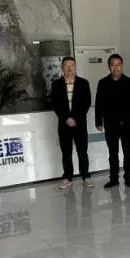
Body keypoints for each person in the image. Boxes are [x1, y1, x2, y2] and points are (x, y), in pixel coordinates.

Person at [94, 54, 130, 189]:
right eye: (113, 65)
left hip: (127, 124)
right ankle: (113, 179)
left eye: (118, 64)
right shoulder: (103, 83)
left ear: (122, 66)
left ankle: (128, 178)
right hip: (110, 124)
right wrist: (98, 121)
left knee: (128, 152)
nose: (116, 67)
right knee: (113, 153)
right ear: (109, 67)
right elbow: (99, 103)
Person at [50, 56, 93, 189]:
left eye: (72, 65)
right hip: (64, 124)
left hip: (80, 124)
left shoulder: (83, 83)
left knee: (82, 152)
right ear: (62, 68)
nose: (69, 68)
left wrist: (75, 118)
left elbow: (86, 103)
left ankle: (85, 177)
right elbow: (55, 104)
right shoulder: (56, 84)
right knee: (66, 152)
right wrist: (66, 118)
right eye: (66, 65)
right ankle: (67, 177)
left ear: (75, 67)